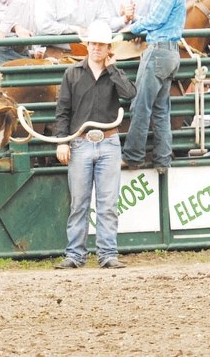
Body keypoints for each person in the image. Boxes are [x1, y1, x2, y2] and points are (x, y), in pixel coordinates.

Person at [54, 20, 136, 270]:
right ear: (87, 45)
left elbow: (130, 94)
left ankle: (107, 253)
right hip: (81, 142)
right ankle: (76, 254)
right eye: (93, 44)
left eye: (101, 44)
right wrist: (63, 142)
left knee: (108, 202)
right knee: (79, 201)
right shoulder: (72, 73)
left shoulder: (114, 73)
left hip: (108, 140)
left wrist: (113, 69)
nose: (96, 48)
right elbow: (63, 111)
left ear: (108, 48)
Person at [120, 0, 189, 173]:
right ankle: (162, 160)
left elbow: (157, 18)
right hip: (170, 52)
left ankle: (133, 156)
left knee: (140, 105)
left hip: (158, 50)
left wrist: (132, 28)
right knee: (161, 110)